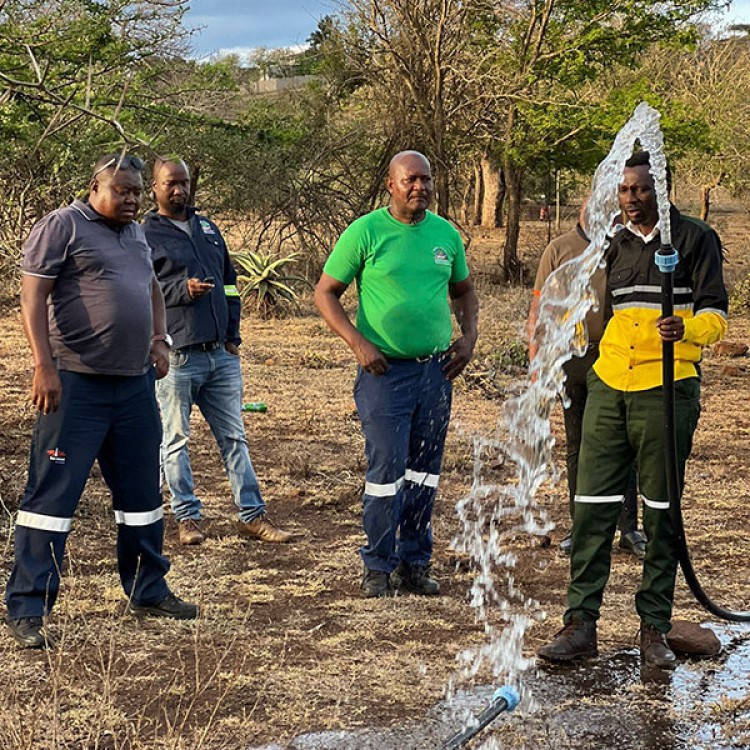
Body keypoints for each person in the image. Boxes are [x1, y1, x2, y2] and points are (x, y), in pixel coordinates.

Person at [537, 151, 728, 669]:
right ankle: (580, 625)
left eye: (640, 190)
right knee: (591, 504)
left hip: (667, 385)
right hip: (608, 384)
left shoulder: (693, 239)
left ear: (660, 190)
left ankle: (654, 630)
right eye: (623, 191)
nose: (631, 199)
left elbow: (716, 313)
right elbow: (586, 306)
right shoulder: (612, 243)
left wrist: (686, 329)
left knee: (661, 511)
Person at [6, 153, 198, 650]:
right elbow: (32, 296)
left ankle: (147, 590)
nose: (132, 199)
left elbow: (152, 287)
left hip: (133, 387)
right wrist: (44, 366)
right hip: (75, 384)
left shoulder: (135, 233)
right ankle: (28, 607)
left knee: (141, 498)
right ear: (95, 187)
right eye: (122, 191)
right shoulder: (62, 226)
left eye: (137, 191)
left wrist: (160, 340)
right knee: (52, 499)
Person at [314, 150, 479, 598]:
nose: (419, 187)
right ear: (391, 184)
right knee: (387, 469)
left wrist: (469, 337)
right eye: (410, 180)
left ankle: (415, 563)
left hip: (435, 373)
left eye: (426, 180)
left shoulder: (445, 234)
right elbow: (325, 293)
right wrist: (358, 343)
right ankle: (377, 566)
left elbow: (463, 291)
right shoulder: (366, 231)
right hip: (385, 373)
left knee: (425, 471)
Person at [144, 158, 292, 546]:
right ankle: (187, 518)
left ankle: (252, 515)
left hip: (220, 355)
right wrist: (180, 290)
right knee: (175, 441)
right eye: (170, 183)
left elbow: (229, 283)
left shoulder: (207, 227)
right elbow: (141, 288)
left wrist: (233, 337)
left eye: (184, 183)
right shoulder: (144, 233)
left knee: (235, 438)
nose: (179, 190)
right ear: (154, 188)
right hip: (177, 356)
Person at [527, 202, 646, 559]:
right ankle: (581, 527)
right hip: (573, 357)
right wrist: (537, 362)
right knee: (578, 442)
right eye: (601, 208)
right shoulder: (560, 249)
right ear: (585, 209)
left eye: (615, 210)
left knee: (622, 442)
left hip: (619, 356)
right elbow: (540, 308)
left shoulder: (626, 245)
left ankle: (628, 529)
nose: (609, 216)